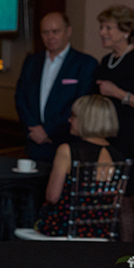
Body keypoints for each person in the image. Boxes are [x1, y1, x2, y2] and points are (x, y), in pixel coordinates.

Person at [33, 95, 124, 237]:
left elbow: (52, 197)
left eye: (74, 116)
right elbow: (116, 202)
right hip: (101, 232)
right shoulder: (118, 156)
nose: (69, 120)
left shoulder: (67, 151)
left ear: (87, 120)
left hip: (65, 230)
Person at [14, 12, 97, 161]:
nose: (50, 37)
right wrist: (34, 129)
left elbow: (81, 102)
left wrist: (47, 130)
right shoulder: (31, 62)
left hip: (67, 143)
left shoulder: (85, 64)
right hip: (35, 144)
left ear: (68, 31)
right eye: (45, 32)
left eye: (55, 31)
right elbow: (21, 98)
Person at [93, 5, 134, 159]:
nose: (102, 33)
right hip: (108, 136)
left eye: (108, 28)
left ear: (126, 31)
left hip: (130, 138)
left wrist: (117, 93)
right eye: (101, 28)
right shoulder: (106, 61)